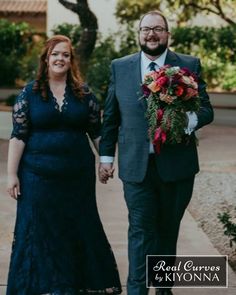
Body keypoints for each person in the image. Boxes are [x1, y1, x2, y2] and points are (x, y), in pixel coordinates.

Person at [99, 11, 214, 295]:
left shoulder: (188, 65)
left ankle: (163, 289)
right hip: (137, 166)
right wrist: (106, 158)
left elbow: (206, 109)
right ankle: (137, 290)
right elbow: (111, 117)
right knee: (140, 230)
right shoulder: (120, 67)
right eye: (146, 29)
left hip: (176, 166)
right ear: (138, 34)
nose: (152, 34)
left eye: (158, 29)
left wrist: (185, 122)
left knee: (167, 229)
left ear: (167, 34)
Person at [6, 35, 122, 295]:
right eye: (55, 54)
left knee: (75, 226)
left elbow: (96, 131)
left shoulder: (84, 93)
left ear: (71, 60)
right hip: (37, 175)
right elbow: (18, 134)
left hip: (76, 177)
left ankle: (72, 284)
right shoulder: (30, 92)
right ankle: (43, 286)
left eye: (66, 55)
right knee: (39, 229)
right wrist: (11, 174)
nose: (60, 58)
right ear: (46, 59)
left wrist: (105, 161)